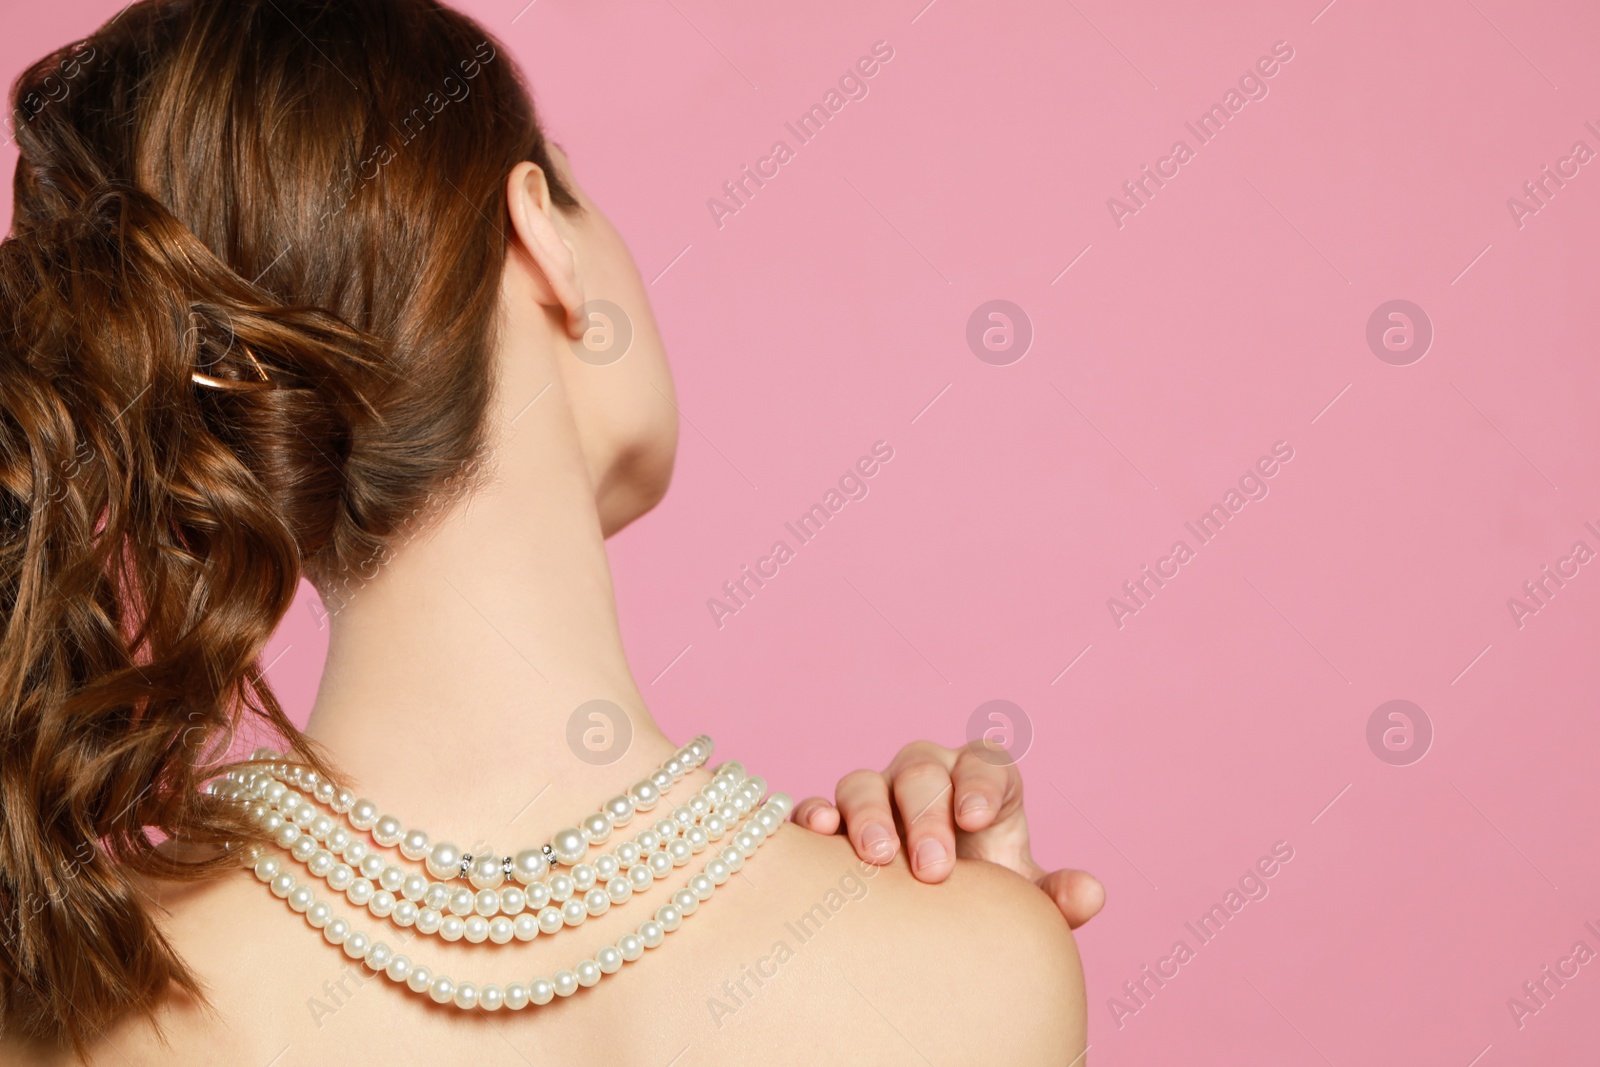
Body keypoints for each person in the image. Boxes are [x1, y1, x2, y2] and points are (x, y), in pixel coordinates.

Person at [0, 1, 1095, 1062]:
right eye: (574, 184)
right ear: (539, 234)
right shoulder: (960, 965)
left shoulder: (76, 979)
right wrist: (976, 937)